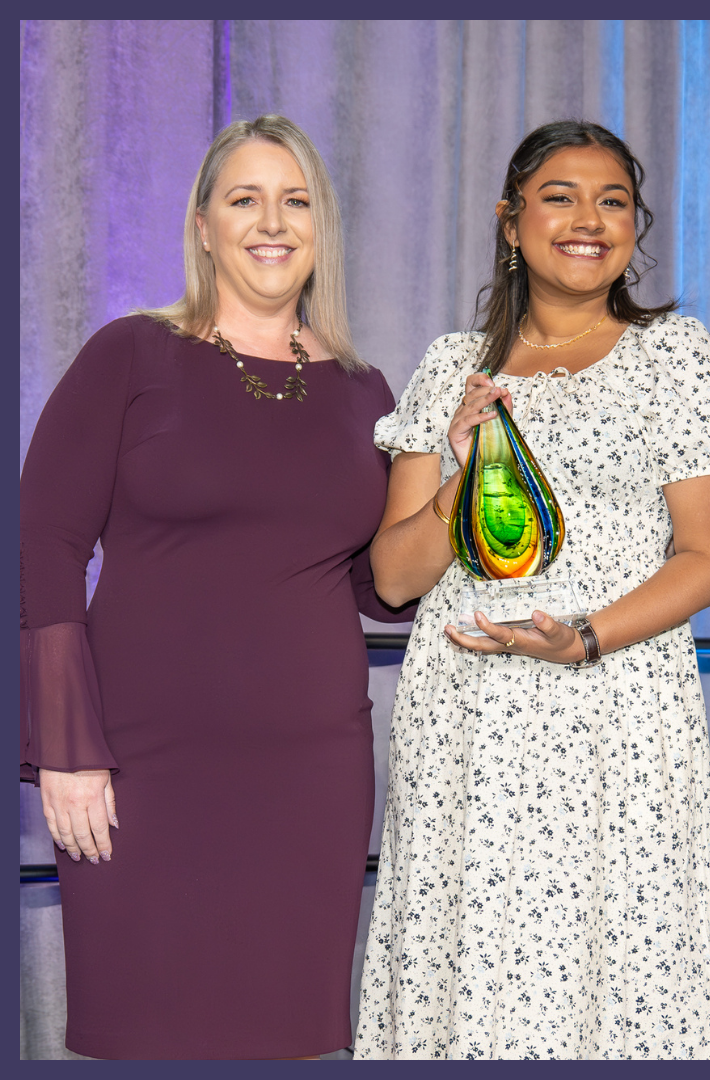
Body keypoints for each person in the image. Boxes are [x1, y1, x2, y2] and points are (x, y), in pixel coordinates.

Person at [352, 119, 710, 1059]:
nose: (588, 220)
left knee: (611, 976)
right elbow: (395, 576)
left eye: (613, 201)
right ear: (510, 221)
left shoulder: (676, 358)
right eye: (559, 197)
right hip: (466, 725)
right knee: (466, 973)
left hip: (614, 712)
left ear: (635, 227)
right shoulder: (452, 366)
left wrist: (584, 636)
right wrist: (458, 471)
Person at [19, 115, 412, 1059]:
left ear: (321, 228)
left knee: (288, 1039)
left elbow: (382, 587)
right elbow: (43, 541)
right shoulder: (130, 355)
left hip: (310, 777)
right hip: (139, 771)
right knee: (141, 1033)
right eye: (245, 199)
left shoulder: (365, 391)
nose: (272, 222)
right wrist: (66, 747)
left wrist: (462, 483)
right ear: (203, 226)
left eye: (295, 200)